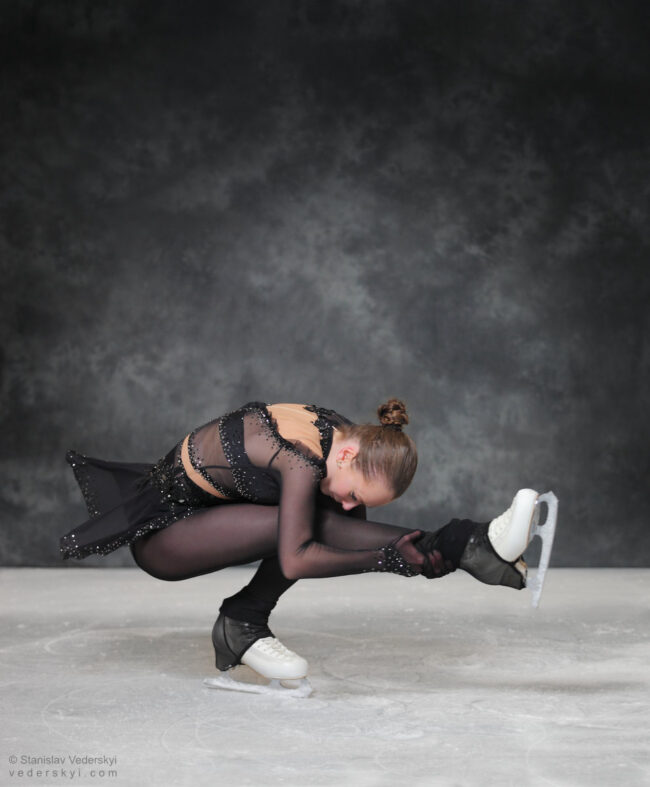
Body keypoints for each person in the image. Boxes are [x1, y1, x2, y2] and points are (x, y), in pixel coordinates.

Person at [61, 399, 541, 692]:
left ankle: (241, 625)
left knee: (327, 513)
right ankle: (468, 545)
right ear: (350, 453)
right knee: (308, 521)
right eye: (357, 490)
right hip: (165, 538)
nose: (355, 506)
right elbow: (296, 556)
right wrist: (390, 558)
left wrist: (401, 552)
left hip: (217, 516)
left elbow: (337, 522)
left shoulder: (341, 437)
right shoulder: (301, 461)